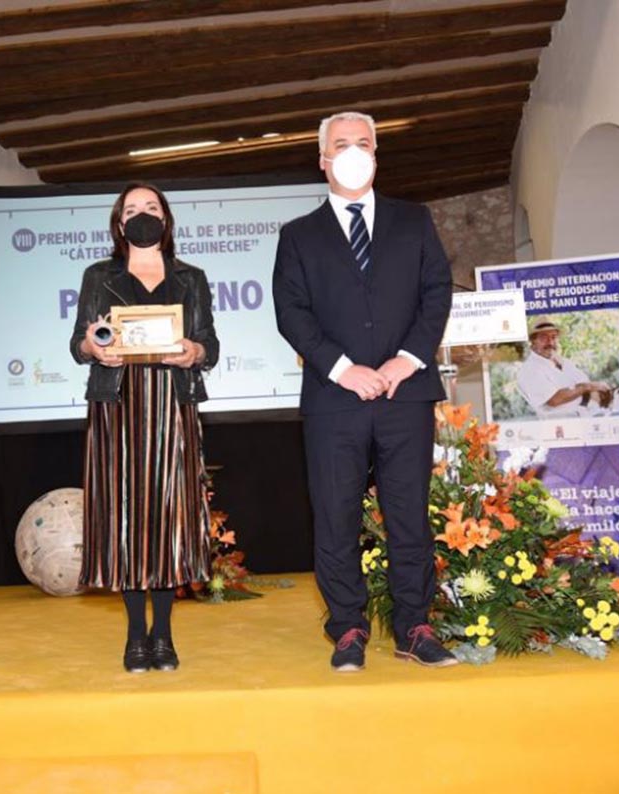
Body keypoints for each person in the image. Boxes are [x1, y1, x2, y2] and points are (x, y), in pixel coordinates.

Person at [272, 111, 457, 671]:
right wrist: (343, 368)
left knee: (409, 516)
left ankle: (414, 626)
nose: (353, 152)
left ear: (377, 155)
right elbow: (292, 313)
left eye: (364, 144)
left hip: (408, 394)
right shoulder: (298, 235)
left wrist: (406, 360)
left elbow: (436, 291)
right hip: (335, 400)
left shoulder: (414, 220)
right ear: (323, 159)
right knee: (335, 516)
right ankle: (347, 628)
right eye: (341, 144)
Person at [70, 182, 219, 673]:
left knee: (169, 520)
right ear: (118, 223)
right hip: (118, 406)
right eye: (131, 209)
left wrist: (194, 352)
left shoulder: (191, 278)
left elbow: (209, 346)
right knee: (126, 520)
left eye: (150, 207)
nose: (141, 215)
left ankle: (165, 634)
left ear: (166, 218)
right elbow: (79, 344)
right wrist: (95, 346)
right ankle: (136, 635)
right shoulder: (98, 275)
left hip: (173, 406)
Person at [515, 316, 619, 418]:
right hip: (577, 421)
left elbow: (586, 385)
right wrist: (587, 387)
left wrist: (605, 393)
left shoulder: (564, 362)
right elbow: (554, 399)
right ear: (532, 342)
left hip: (600, 409)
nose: (550, 342)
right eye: (544, 337)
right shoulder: (529, 370)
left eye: (553, 337)